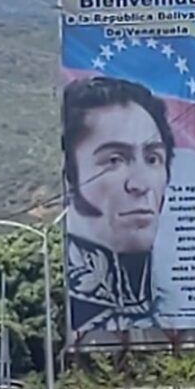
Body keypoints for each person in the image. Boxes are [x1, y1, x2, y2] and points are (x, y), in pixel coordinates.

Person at [64, 76, 175, 335]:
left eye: (152, 158)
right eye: (114, 160)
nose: (139, 184)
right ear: (69, 176)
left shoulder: (184, 310)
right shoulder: (71, 310)